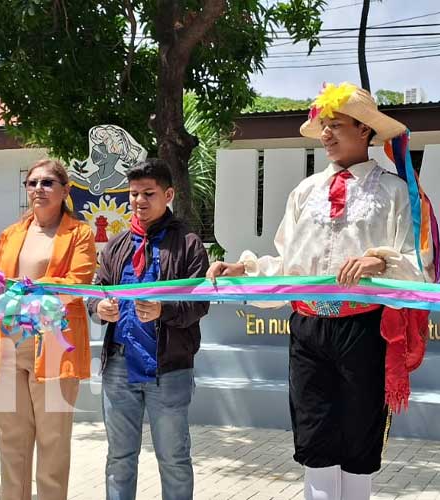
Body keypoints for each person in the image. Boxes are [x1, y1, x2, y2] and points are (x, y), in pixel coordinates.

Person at [207, 82, 435, 500]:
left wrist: (379, 261)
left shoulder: (395, 192)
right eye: (323, 126)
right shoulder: (304, 192)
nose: (326, 134)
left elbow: (420, 264)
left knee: (358, 443)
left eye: (336, 125)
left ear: (365, 130)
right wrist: (246, 268)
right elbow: (287, 264)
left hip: (362, 329)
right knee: (314, 442)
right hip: (308, 329)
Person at [86, 158, 210, 500]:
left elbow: (200, 303)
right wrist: (100, 307)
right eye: (134, 193)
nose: (139, 201)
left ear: (168, 194)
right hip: (120, 366)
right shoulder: (116, 245)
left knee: (174, 460)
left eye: (148, 193)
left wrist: (163, 310)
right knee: (119, 459)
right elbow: (95, 293)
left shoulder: (188, 244)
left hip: (168, 369)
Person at [0, 158, 96, 500]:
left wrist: (25, 286)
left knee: (53, 442)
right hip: (7, 348)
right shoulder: (9, 235)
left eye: (47, 183)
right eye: (32, 183)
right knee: (11, 442)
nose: (38, 189)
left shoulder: (80, 234)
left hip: (55, 347)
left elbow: (77, 284)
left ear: (65, 190)